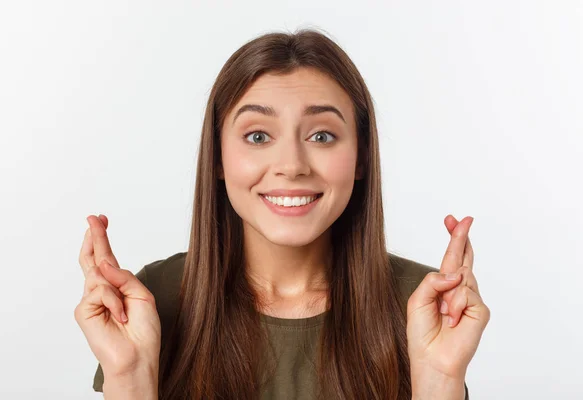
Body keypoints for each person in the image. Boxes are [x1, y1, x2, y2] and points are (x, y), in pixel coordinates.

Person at [74, 28, 490, 400]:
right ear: (218, 158)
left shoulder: (419, 304)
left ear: (361, 157)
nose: (291, 165)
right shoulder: (156, 299)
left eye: (322, 135)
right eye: (258, 136)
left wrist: (440, 378)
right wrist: (129, 378)